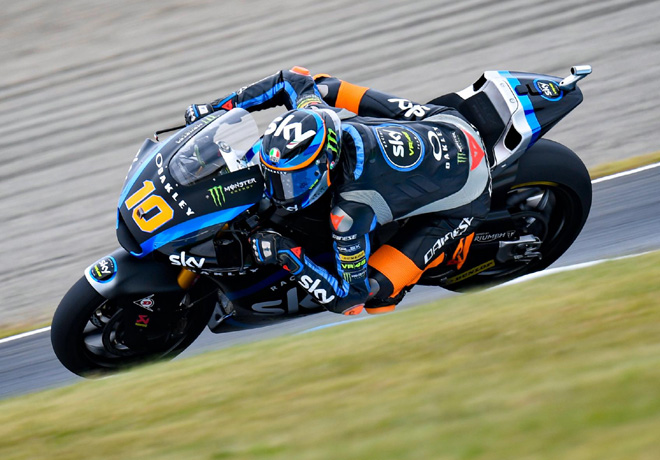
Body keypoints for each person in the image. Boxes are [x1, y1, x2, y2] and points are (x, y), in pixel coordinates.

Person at [184, 66, 491, 315]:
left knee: (375, 297)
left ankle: (444, 256)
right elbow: (290, 79)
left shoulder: (349, 213)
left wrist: (287, 254)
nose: (281, 190)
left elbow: (348, 299)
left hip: (468, 191)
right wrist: (214, 109)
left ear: (326, 165)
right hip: (445, 121)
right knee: (322, 85)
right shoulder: (315, 113)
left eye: (294, 180)